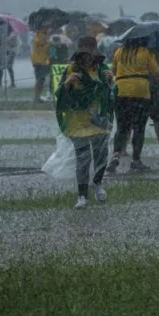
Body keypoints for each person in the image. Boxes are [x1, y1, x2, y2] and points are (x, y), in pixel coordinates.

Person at [56, 37, 114, 208]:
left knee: (101, 155)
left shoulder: (103, 69)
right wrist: (67, 85)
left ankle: (98, 184)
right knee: (83, 157)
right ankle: (82, 195)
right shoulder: (70, 70)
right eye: (84, 52)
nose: (88, 56)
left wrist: (111, 83)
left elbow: (110, 97)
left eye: (90, 50)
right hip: (78, 121)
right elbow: (60, 96)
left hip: (98, 120)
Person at [107, 36, 158, 173]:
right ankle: (136, 160)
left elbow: (113, 71)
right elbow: (155, 73)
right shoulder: (146, 52)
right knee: (139, 127)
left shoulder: (119, 51)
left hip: (121, 90)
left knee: (122, 126)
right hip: (140, 91)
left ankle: (115, 155)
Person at [31, 26, 51, 103]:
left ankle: (38, 97)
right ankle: (36, 98)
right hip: (38, 61)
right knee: (39, 79)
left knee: (42, 80)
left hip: (44, 61)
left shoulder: (44, 35)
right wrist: (47, 37)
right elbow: (41, 43)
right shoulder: (38, 35)